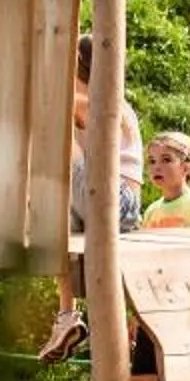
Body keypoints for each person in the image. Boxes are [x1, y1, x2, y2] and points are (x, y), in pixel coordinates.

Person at [39, 33, 144, 361]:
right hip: (98, 200)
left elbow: (58, 103)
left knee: (57, 149)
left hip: (117, 199)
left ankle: (76, 317)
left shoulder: (103, 104)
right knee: (56, 227)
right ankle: (66, 316)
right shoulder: (91, 100)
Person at [128, 131, 190, 381]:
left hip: (179, 309)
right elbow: (142, 264)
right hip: (150, 309)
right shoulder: (152, 211)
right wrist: (134, 314)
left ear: (187, 167)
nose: (157, 167)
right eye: (152, 162)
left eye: (166, 160)